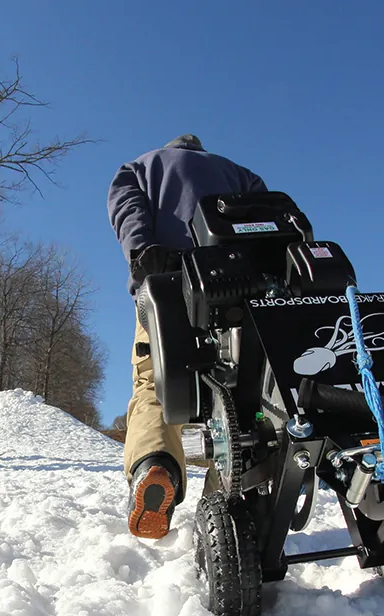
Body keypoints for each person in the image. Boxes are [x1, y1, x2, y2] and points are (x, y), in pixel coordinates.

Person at [108, 133, 270, 539]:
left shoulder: (141, 166)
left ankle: (155, 465)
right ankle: (244, 499)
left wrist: (142, 251)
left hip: (168, 286)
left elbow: (125, 206)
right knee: (244, 392)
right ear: (200, 148)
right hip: (240, 291)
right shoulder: (237, 172)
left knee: (155, 386)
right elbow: (269, 213)